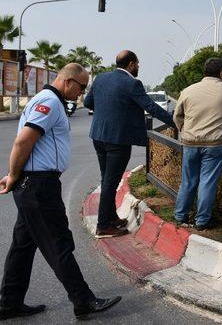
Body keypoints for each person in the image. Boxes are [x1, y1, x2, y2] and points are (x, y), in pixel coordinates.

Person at [0, 63, 121, 320]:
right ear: (68, 81)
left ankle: (9, 303)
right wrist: (12, 174)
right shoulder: (50, 102)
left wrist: (16, 176)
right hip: (39, 187)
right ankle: (83, 300)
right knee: (59, 244)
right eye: (81, 86)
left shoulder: (48, 101)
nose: (82, 93)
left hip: (34, 184)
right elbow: (23, 141)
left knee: (23, 245)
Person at [84, 50, 176, 238]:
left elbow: (87, 102)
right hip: (118, 139)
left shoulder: (101, 78)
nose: (139, 68)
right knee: (111, 181)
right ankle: (103, 226)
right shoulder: (132, 83)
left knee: (107, 179)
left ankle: (111, 218)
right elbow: (150, 107)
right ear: (131, 64)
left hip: (98, 136)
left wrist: (107, 111)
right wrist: (175, 121)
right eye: (138, 65)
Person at [173, 58, 222, 230]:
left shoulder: (188, 91)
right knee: (207, 182)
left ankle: (180, 216)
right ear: (221, 73)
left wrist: (186, 131)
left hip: (189, 143)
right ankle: (202, 221)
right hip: (216, 145)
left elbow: (177, 116)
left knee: (188, 181)